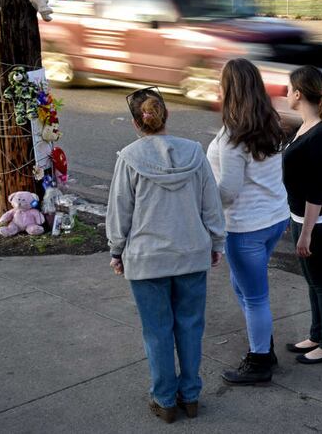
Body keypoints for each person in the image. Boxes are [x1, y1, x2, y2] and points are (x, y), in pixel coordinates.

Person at [106, 87, 225, 424]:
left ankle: (164, 399)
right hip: (191, 253)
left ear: (135, 123)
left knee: (156, 331)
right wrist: (216, 243)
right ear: (165, 116)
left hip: (146, 260)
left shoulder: (129, 158)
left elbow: (120, 213)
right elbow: (210, 205)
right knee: (190, 326)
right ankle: (190, 396)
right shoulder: (195, 153)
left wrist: (117, 251)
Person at [207, 58, 290, 385]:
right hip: (274, 219)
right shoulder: (268, 122)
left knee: (254, 296)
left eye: (221, 82)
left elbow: (228, 191)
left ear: (231, 89)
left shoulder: (232, 137)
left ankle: (260, 361)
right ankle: (262, 344)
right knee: (242, 286)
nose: (217, 86)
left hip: (246, 228)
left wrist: (202, 199)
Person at [282, 65, 322, 364]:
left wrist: (307, 232)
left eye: (288, 89)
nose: (285, 93)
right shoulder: (306, 125)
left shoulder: (321, 135)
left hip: (320, 221)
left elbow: (317, 190)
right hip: (304, 218)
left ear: (298, 93)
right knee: (313, 282)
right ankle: (317, 334)